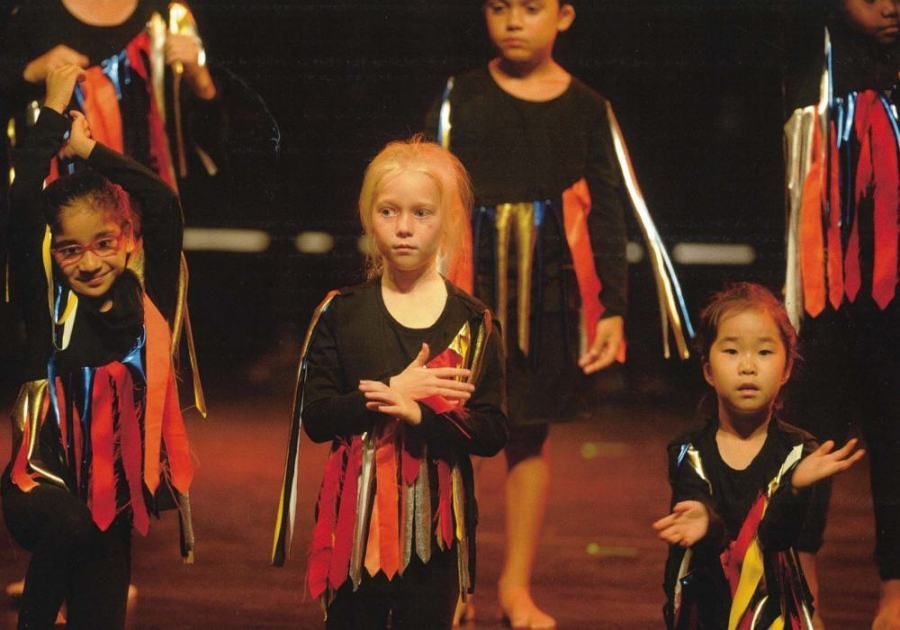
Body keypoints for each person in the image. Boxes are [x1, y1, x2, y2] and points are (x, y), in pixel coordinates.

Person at [425, 1, 691, 626]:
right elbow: (425, 187)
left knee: (528, 435)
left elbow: (607, 211)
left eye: (531, 7)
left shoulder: (588, 108)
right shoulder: (460, 97)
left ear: (564, 16)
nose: (514, 21)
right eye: (499, 7)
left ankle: (515, 587)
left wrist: (613, 310)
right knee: (446, 434)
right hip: (465, 289)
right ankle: (449, 584)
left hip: (549, 295)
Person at [271, 137, 508, 629]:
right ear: (368, 217)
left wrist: (421, 413)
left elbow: (490, 430)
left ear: (448, 220)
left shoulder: (473, 321)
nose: (403, 227)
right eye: (388, 211)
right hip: (353, 528)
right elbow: (317, 417)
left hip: (436, 536)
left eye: (422, 213)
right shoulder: (342, 312)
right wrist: (390, 391)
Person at [1, 64, 195, 629]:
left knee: (99, 608)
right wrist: (53, 112)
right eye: (70, 250)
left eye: (104, 243)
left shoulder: (150, 304)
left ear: (129, 240)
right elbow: (21, 203)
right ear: (54, 253)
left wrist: (88, 149)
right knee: (71, 524)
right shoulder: (49, 310)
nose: (89, 262)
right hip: (39, 484)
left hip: (112, 501)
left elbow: (162, 202)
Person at [781, 1, 899, 626]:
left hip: (896, 293)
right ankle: (799, 581)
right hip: (823, 290)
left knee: (896, 435)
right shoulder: (811, 56)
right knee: (811, 432)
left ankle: (897, 592)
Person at [655, 283, 864, 629]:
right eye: (732, 351)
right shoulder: (688, 449)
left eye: (764, 352)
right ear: (708, 370)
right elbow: (693, 502)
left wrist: (794, 486)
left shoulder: (797, 451)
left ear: (786, 370)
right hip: (706, 607)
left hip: (770, 611)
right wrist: (705, 520)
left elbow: (777, 537)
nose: (748, 366)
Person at [0, 0, 219, 191]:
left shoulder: (168, 13)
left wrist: (200, 78)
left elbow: (215, 141)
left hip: (150, 203)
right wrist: (29, 74)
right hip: (64, 206)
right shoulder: (30, 13)